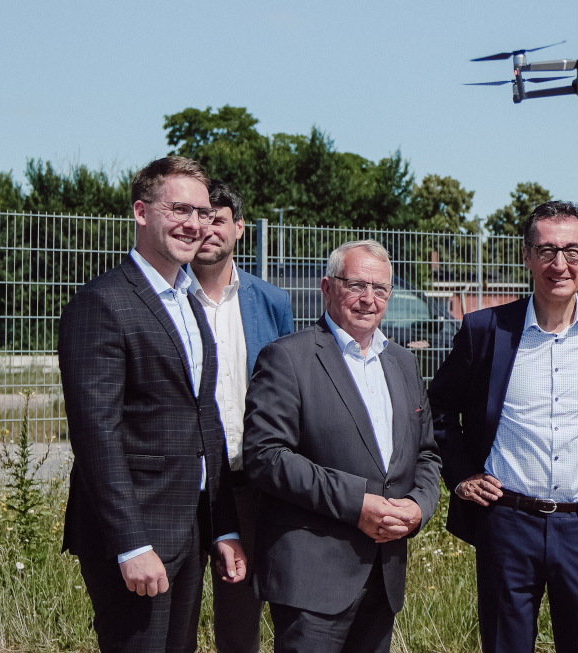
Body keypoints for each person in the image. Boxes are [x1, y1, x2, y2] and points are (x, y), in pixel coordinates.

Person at [428, 200, 578, 653]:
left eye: (572, 251)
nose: (560, 264)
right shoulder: (485, 330)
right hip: (506, 524)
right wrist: (459, 476)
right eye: (547, 251)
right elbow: (438, 407)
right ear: (527, 256)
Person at [58, 156, 246, 652]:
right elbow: (96, 434)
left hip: (188, 529)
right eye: (179, 209)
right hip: (135, 537)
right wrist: (131, 543)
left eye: (204, 212)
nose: (194, 224)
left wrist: (222, 524)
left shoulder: (187, 299)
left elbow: (205, 418)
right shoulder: (101, 304)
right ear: (142, 212)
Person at [243, 239, 441, 653]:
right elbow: (266, 457)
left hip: (384, 572)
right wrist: (358, 503)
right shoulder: (287, 358)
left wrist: (420, 505)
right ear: (327, 288)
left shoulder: (402, 363)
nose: (369, 299)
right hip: (313, 579)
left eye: (381, 289)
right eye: (356, 285)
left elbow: (425, 452)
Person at [187, 179, 294, 653]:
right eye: (199, 216)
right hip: (182, 482)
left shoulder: (271, 301)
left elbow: (289, 390)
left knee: (239, 613)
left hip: (246, 480)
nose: (207, 228)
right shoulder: (167, 296)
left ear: (240, 228)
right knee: (174, 611)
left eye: (218, 218)